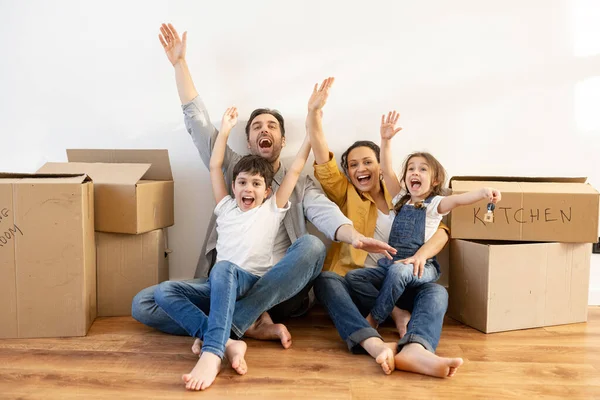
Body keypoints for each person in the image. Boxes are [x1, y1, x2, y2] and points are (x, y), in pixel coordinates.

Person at [132, 23, 395, 356]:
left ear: (283, 140)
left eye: (272, 126)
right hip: (229, 282)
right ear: (249, 140)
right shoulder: (232, 168)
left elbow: (322, 210)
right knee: (145, 303)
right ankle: (245, 326)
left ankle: (232, 324)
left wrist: (351, 235)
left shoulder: (295, 181)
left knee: (312, 246)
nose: (264, 130)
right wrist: (179, 65)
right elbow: (199, 126)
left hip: (282, 292)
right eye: (257, 126)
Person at [307, 77, 464, 378]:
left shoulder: (405, 194)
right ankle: (374, 338)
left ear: (381, 165)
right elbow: (323, 160)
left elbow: (442, 230)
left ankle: (417, 349)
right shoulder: (346, 193)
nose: (360, 169)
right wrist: (314, 114)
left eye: (367, 162)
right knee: (326, 281)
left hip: (404, 278)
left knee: (436, 294)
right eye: (353, 165)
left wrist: (420, 257)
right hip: (362, 285)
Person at [154, 106, 312, 391]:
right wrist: (224, 129)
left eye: (255, 183)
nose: (248, 188)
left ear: (266, 191)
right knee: (162, 291)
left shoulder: (272, 208)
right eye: (242, 182)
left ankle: (212, 352)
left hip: (252, 283)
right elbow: (215, 166)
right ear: (234, 186)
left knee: (225, 267)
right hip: (220, 285)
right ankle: (230, 340)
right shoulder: (225, 207)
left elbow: (297, 168)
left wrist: (312, 132)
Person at [346, 110, 502, 330]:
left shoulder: (435, 204)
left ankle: (375, 317)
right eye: (410, 169)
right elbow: (387, 169)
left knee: (399, 271)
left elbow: (458, 200)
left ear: (435, 179)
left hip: (421, 266)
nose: (414, 173)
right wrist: (385, 140)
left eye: (422, 169)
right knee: (354, 278)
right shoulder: (401, 198)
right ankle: (398, 314)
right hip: (394, 263)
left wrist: (484, 191)